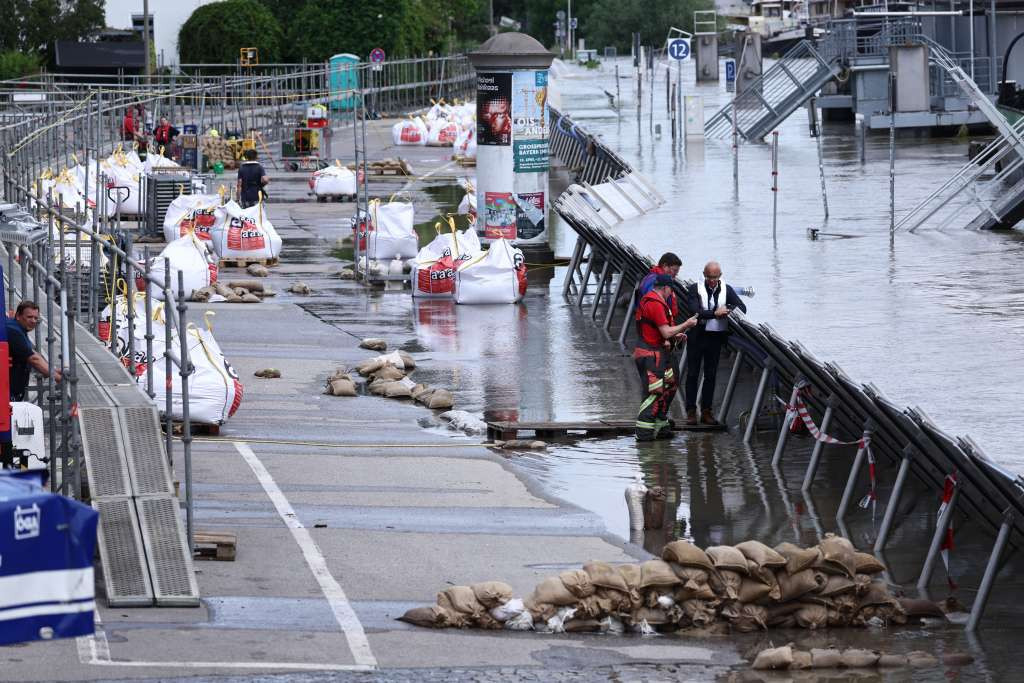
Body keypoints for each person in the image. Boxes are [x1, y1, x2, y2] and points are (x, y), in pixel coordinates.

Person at [634, 274, 698, 441]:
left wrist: (676, 336)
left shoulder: (655, 301)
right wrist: (686, 325)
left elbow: (661, 332)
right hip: (651, 356)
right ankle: (644, 435)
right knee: (654, 393)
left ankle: (661, 426)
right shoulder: (655, 304)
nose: (672, 293)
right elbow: (665, 331)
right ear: (665, 288)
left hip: (660, 353)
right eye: (671, 290)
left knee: (670, 385)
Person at [684, 261, 747, 425]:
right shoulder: (694, 289)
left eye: (716, 277)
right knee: (692, 374)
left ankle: (706, 411)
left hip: (715, 338)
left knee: (710, 375)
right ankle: (691, 411)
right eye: (710, 277)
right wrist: (714, 313)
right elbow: (695, 311)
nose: (713, 281)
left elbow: (742, 307)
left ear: (720, 276)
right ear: (704, 275)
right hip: (697, 336)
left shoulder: (726, 288)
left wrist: (728, 310)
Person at [6, 301, 61, 402]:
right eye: (29, 317)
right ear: (18, 316)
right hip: (7, 392)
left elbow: (33, 353)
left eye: (36, 318)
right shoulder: (14, 331)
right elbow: (34, 359)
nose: (33, 321)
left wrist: (53, 370)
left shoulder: (18, 329)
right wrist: (58, 379)